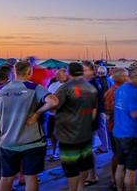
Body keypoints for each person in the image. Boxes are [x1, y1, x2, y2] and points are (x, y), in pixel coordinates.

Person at [0, 61, 59, 191]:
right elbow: (53, 101)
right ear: (29, 72)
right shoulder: (34, 87)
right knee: (30, 176)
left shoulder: (0, 90)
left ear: (14, 72)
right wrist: (37, 114)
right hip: (32, 141)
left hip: (8, 141)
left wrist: (9, 115)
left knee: (6, 177)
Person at [53, 62, 98, 191]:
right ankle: (80, 187)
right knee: (84, 165)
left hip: (68, 135)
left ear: (68, 72)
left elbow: (54, 105)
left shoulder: (65, 88)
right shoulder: (91, 88)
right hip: (86, 133)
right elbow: (94, 112)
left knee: (71, 168)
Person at [113, 67, 137, 191]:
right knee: (131, 170)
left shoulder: (121, 89)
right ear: (132, 77)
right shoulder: (134, 92)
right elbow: (134, 113)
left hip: (118, 133)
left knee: (120, 165)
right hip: (131, 134)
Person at [105, 68, 128, 189]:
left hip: (120, 127)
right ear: (119, 78)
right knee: (117, 154)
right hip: (116, 127)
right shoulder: (112, 92)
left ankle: (117, 178)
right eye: (125, 75)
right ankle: (114, 178)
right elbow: (110, 110)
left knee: (119, 154)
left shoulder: (122, 90)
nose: (128, 77)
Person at [47, 67, 69, 161]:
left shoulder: (71, 86)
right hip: (53, 115)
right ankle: (54, 152)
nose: (58, 76)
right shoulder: (52, 85)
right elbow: (47, 99)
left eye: (61, 74)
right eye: (58, 75)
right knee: (53, 134)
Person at [90, 65, 111, 154]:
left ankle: (104, 146)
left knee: (101, 128)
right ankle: (108, 145)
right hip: (107, 108)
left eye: (99, 72)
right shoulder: (109, 80)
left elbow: (101, 97)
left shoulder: (100, 82)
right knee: (106, 127)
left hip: (102, 108)